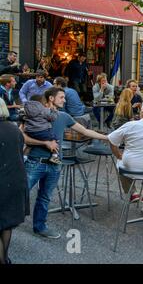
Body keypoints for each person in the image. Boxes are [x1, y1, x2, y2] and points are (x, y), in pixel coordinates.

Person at [22, 87, 108, 239]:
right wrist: (45, 143)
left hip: (55, 164)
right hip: (36, 162)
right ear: (51, 98)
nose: (65, 100)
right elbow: (23, 138)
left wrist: (108, 138)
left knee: (45, 197)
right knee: (19, 194)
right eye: (61, 97)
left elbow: (85, 132)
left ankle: (40, 227)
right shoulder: (36, 114)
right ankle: (5, 225)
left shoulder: (64, 116)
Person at [0, 98, 29, 264]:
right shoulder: (15, 130)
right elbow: (19, 153)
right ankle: (5, 258)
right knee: (6, 224)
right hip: (15, 180)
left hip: (3, 180)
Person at [23, 94, 61, 164]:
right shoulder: (43, 110)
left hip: (30, 132)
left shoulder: (27, 110)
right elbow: (52, 118)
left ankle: (24, 157)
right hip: (42, 131)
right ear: (41, 102)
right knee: (55, 139)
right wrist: (54, 111)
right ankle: (54, 156)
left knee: (29, 146)